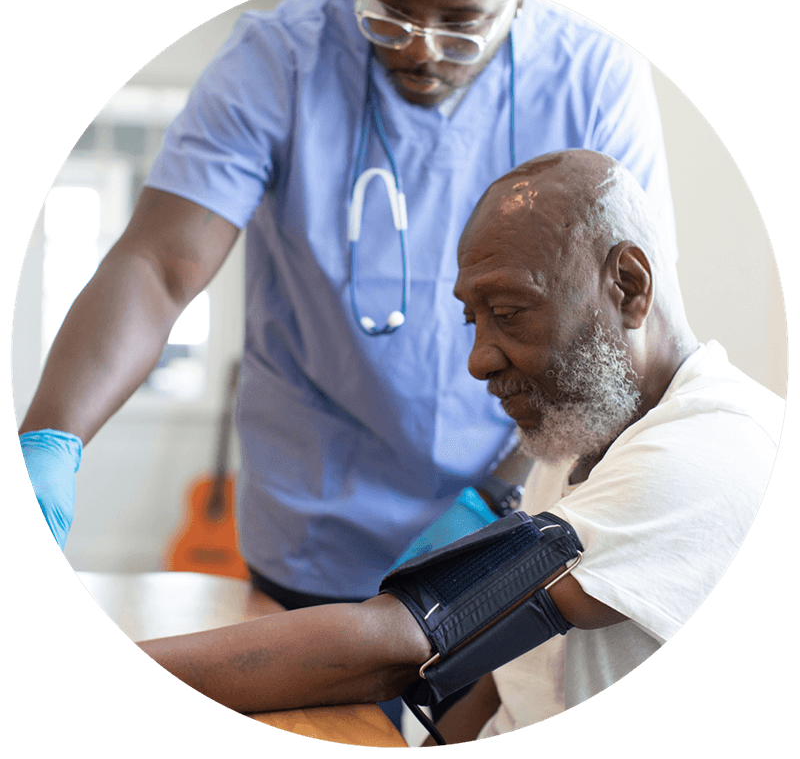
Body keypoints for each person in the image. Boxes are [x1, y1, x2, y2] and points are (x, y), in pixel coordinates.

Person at [20, 0, 675, 607]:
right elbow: (160, 265)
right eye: (387, 11)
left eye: (461, 26)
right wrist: (49, 440)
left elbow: (621, 328)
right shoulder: (279, 59)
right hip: (312, 521)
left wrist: (493, 500)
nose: (418, 48)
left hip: (507, 506)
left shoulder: (595, 78)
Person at [136, 149, 784, 743]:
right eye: (473, 319)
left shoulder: (713, 452)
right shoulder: (579, 435)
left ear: (629, 287)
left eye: (508, 312)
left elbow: (413, 636)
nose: (477, 361)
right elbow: (510, 676)